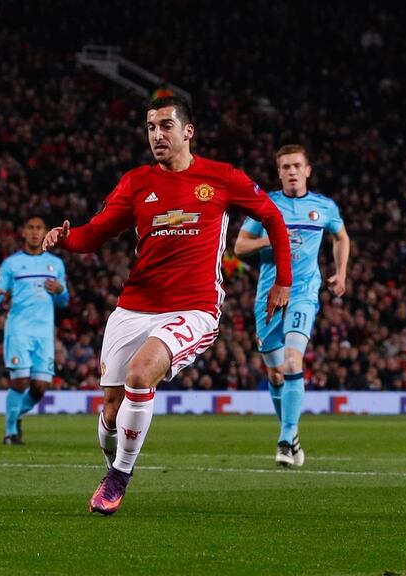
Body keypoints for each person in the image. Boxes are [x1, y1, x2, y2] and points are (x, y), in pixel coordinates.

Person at [43, 95, 293, 516]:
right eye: (150, 127)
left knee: (142, 374)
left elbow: (273, 217)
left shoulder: (222, 177)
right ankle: (114, 463)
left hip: (193, 308)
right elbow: (95, 234)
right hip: (134, 306)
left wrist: (283, 280)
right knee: (110, 409)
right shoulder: (136, 182)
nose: (157, 135)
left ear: (187, 131)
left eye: (165, 126)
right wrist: (65, 238)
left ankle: (120, 475)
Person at [234, 144, 349, 468]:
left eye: (297, 165)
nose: (292, 171)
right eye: (285, 167)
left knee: (292, 360)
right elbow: (240, 246)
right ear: (279, 172)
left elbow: (341, 237)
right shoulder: (267, 204)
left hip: (303, 293)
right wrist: (271, 239)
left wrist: (340, 274)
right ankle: (291, 436)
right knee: (275, 372)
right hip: (270, 296)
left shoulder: (323, 207)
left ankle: (286, 438)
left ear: (307, 170)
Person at [0, 215, 68, 445]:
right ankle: (10, 432)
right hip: (19, 329)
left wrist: (60, 289)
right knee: (20, 380)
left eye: (39, 228)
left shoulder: (56, 265)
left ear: (44, 232)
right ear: (23, 232)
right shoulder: (11, 264)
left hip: (44, 332)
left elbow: (64, 300)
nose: (34, 232)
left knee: (40, 386)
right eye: (30, 228)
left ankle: (16, 415)